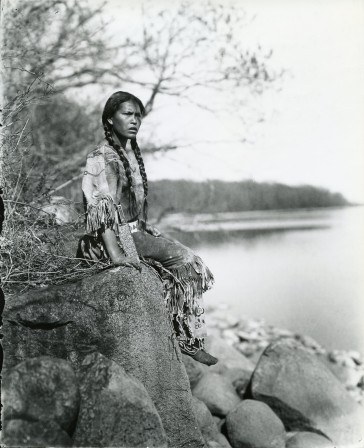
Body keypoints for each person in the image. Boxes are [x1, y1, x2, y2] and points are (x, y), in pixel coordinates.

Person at [77, 91, 217, 366]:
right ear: (109, 119)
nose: (134, 121)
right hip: (112, 237)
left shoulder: (128, 156)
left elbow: (130, 208)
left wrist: (145, 227)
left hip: (132, 231)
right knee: (188, 261)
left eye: (138, 116)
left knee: (188, 261)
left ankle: (184, 332)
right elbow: (102, 212)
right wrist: (116, 256)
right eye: (127, 114)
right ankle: (186, 339)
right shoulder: (100, 157)